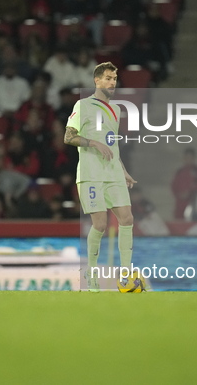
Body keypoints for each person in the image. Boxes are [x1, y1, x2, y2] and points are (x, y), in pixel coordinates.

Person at [64, 61, 137, 292]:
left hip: (112, 172)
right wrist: (93, 142)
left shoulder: (116, 110)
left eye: (114, 79)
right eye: (107, 78)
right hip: (91, 174)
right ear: (96, 81)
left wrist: (123, 170)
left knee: (127, 219)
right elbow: (68, 136)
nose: (112, 82)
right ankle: (91, 273)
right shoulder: (82, 105)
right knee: (101, 224)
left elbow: (112, 145)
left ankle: (126, 276)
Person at [171, 148, 197, 219]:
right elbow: (174, 186)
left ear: (194, 158)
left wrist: (189, 192)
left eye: (190, 158)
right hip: (180, 203)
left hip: (192, 202)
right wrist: (179, 194)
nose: (188, 160)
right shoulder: (179, 171)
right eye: (187, 158)